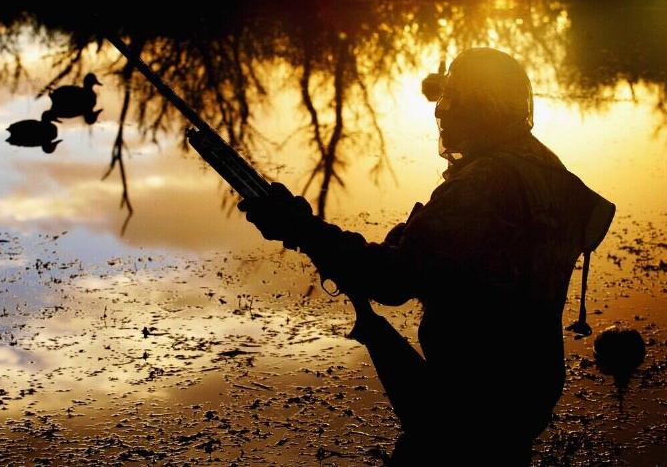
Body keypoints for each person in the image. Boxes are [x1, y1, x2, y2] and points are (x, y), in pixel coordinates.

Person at [238, 48, 615, 465]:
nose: (444, 112)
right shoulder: (544, 167)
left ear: (483, 108)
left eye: (456, 101)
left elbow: (392, 280)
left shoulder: (483, 183)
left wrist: (300, 229)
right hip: (527, 395)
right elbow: (457, 262)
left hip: (468, 408)